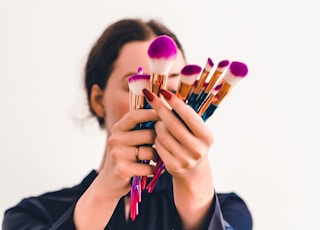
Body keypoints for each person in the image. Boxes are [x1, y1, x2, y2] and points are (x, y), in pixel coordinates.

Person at [2, 18, 252, 230]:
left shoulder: (230, 210)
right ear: (98, 100)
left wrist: (194, 184)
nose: (160, 102)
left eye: (174, 83)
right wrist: (104, 192)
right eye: (142, 85)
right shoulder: (31, 215)